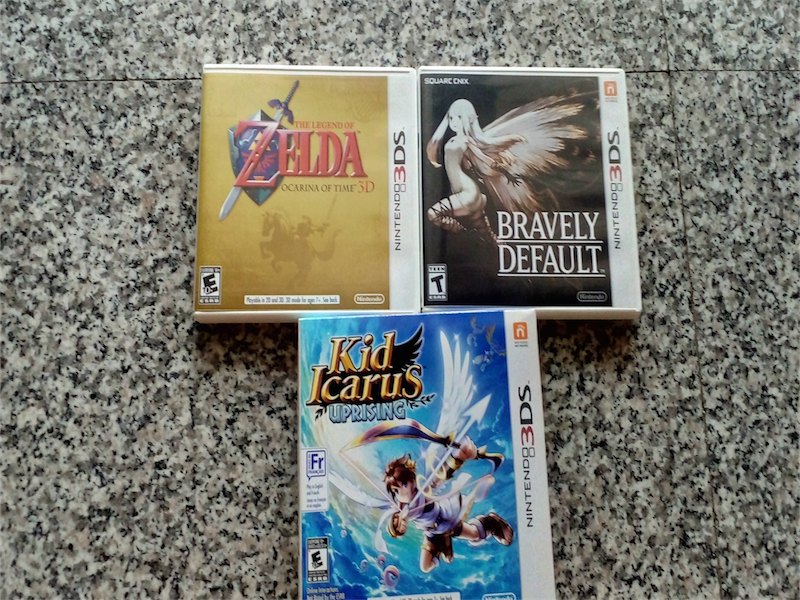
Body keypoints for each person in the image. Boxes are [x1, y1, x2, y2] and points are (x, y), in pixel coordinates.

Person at [382, 435, 514, 573]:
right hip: (432, 533)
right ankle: (440, 549)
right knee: (425, 566)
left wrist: (457, 458)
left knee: (474, 534)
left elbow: (439, 478)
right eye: (396, 491)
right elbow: (399, 523)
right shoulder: (401, 508)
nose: (402, 493)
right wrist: (398, 525)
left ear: (412, 481)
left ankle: (492, 523)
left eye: (404, 485)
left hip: (446, 520)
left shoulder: (423, 491)